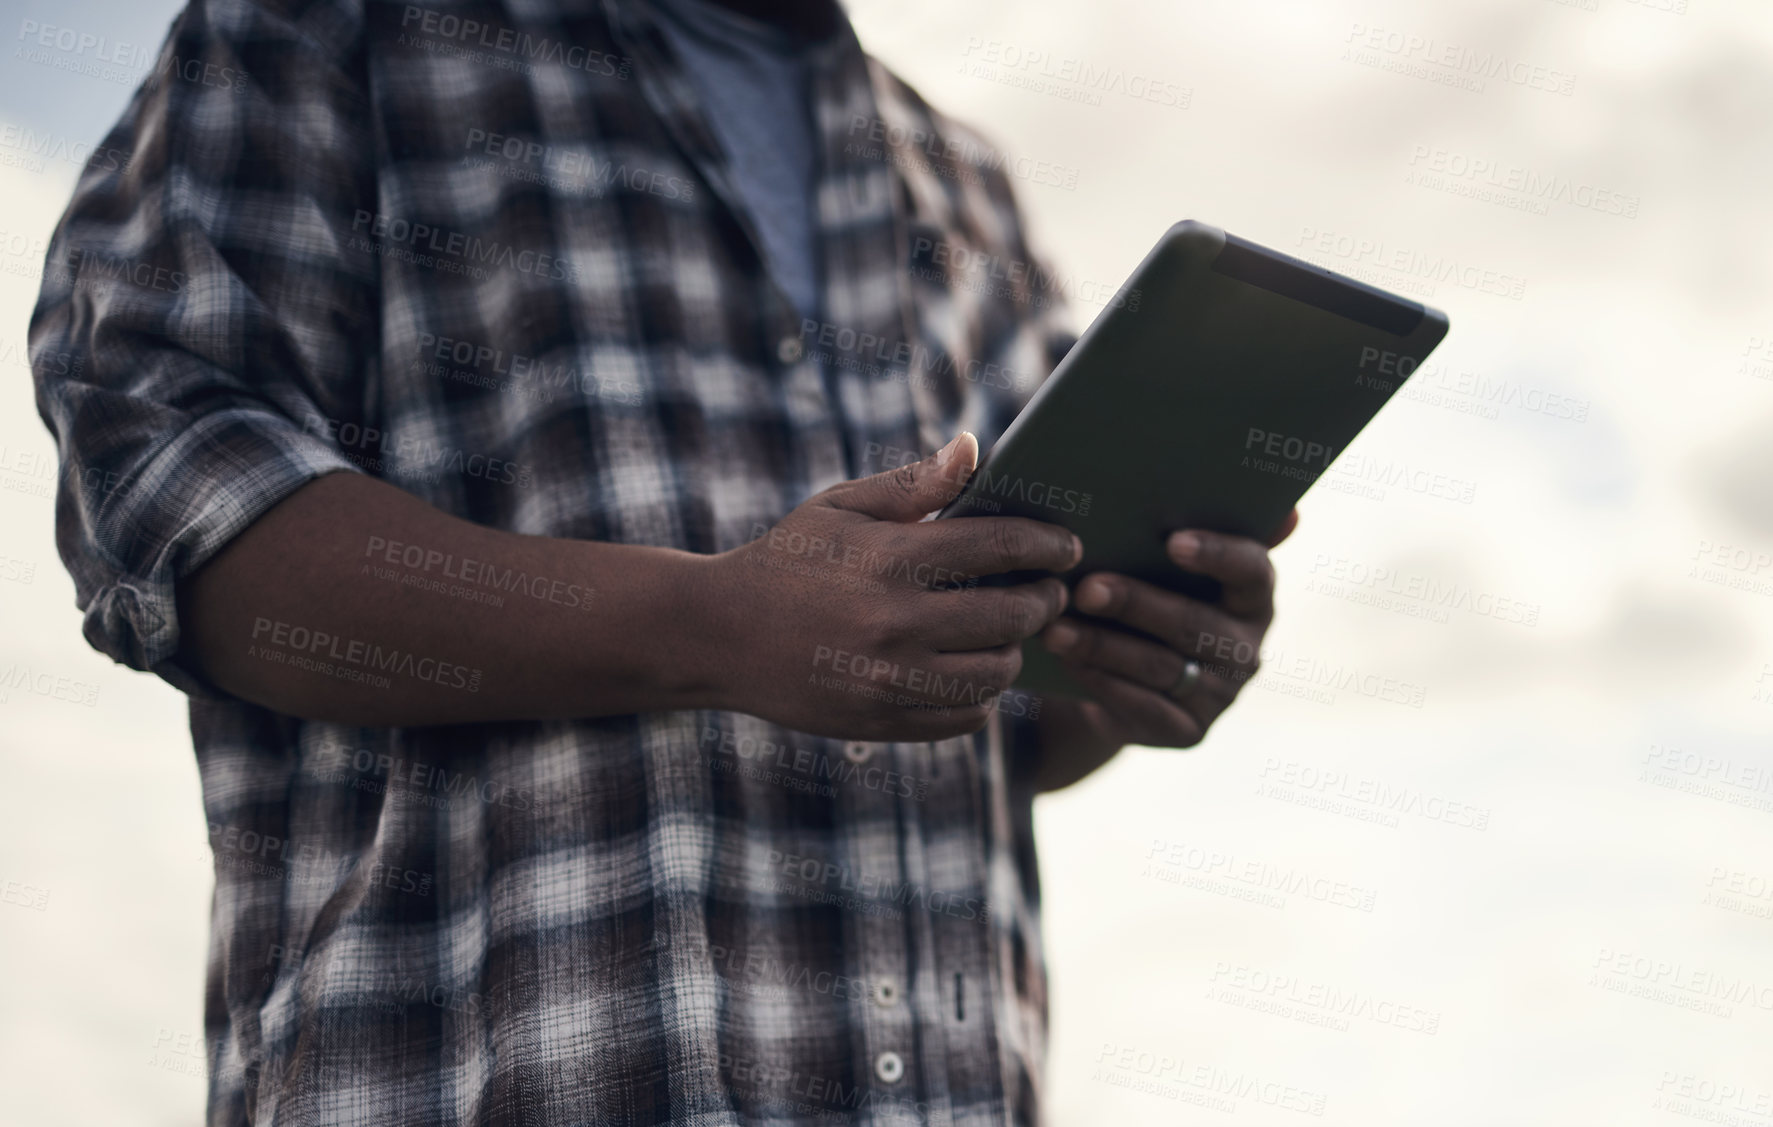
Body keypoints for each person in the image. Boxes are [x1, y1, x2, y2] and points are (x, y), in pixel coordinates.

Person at [29, 0, 1290, 1122]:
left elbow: (1005, 713)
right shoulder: (320, 36)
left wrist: (1135, 656)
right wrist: (712, 625)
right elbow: (165, 502)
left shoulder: (964, 186)